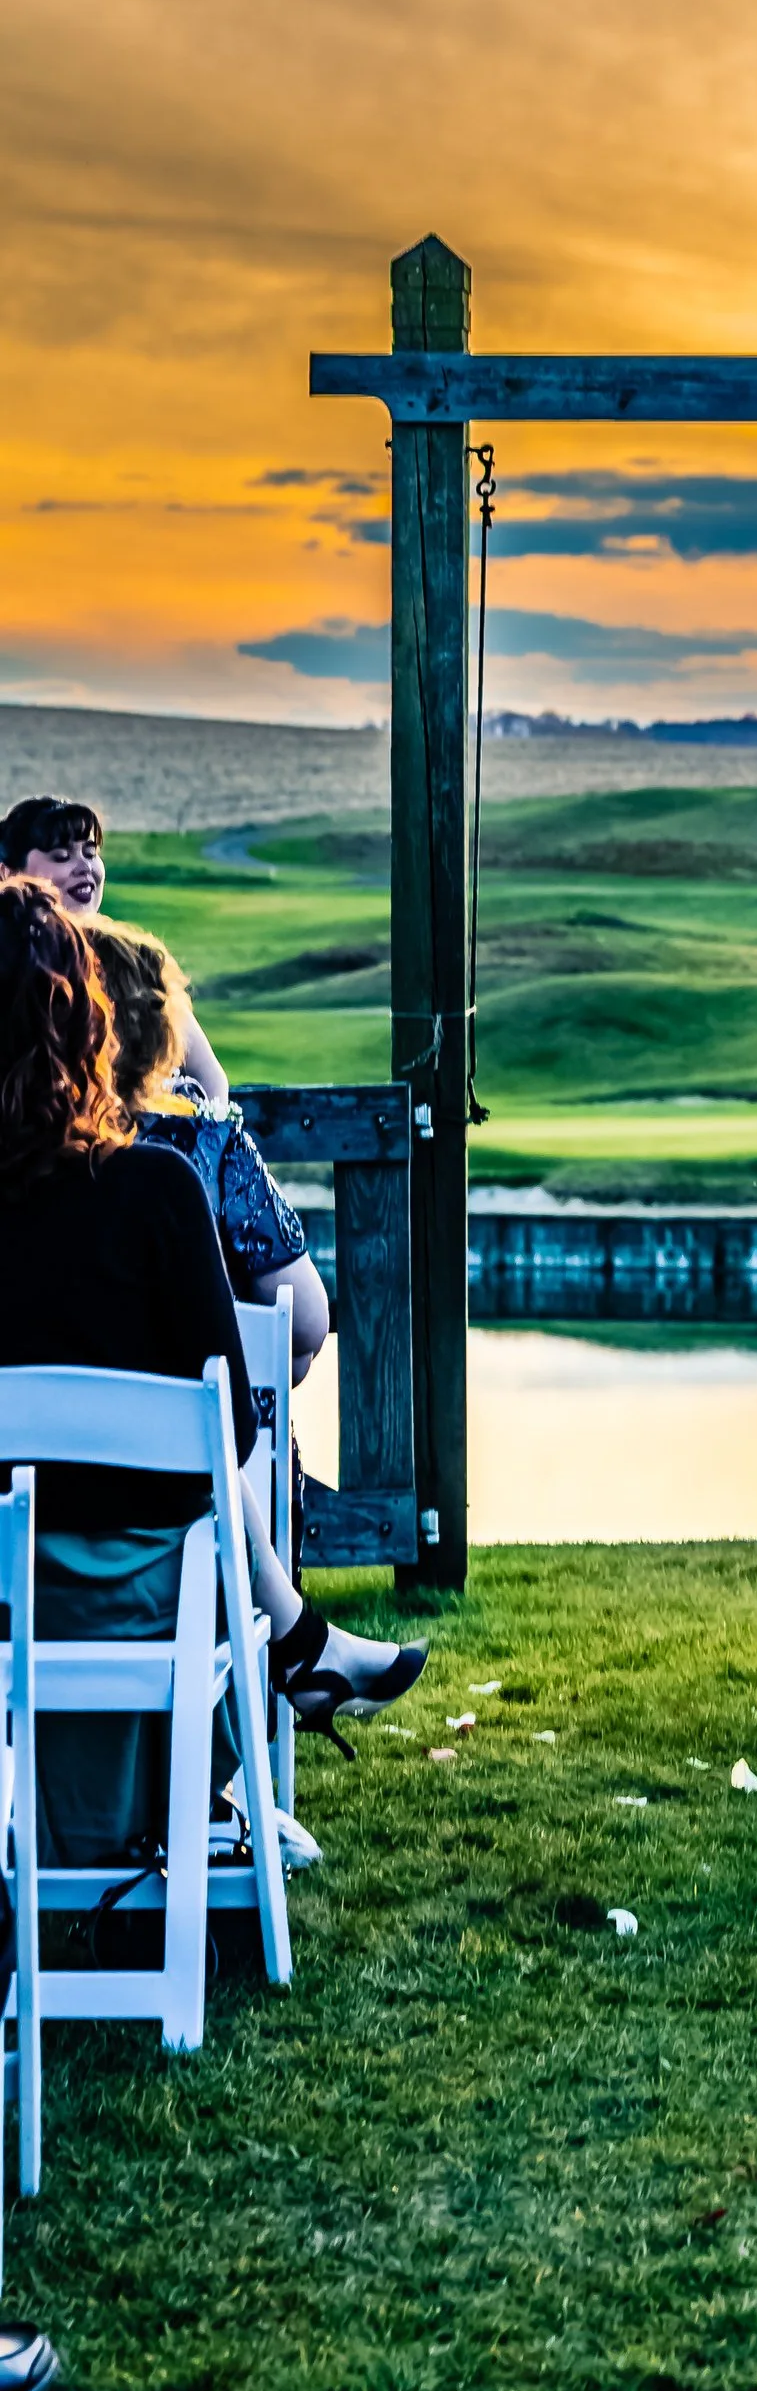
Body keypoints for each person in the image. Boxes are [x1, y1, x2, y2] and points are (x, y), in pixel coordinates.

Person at [0, 882, 422, 1868]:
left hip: (5, 1585)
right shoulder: (156, 1187)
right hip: (141, 1586)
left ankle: (293, 1663)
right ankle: (287, 1674)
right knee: (222, 1518)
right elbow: (228, 1429)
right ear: (86, 1025)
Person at [86, 921, 332, 1379]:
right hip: (192, 1429)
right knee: (285, 1354)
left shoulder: (37, 1139)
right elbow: (310, 1322)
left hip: (47, 1432)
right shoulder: (201, 1141)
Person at [2, 796, 230, 1107]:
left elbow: (211, 1079)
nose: (83, 867)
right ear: (7, 872)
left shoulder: (133, 961)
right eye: (61, 856)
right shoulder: (11, 963)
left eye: (90, 853)